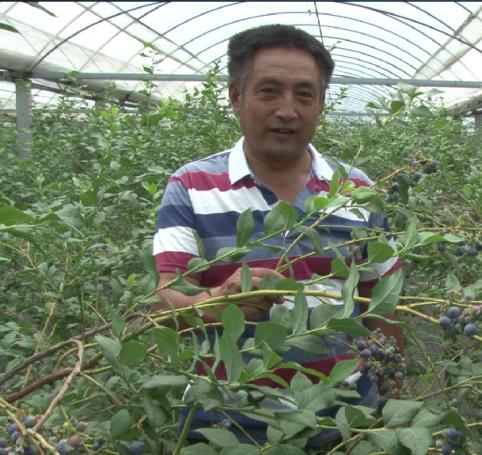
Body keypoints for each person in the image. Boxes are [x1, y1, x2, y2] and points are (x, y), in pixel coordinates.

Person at [151, 24, 402, 448]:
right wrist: (216, 303)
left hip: (344, 420)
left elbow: (383, 303)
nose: (287, 110)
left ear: (321, 104)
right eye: (269, 91)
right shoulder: (191, 186)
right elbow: (164, 302)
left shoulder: (357, 190)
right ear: (236, 96)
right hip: (225, 424)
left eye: (304, 95)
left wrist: (392, 398)